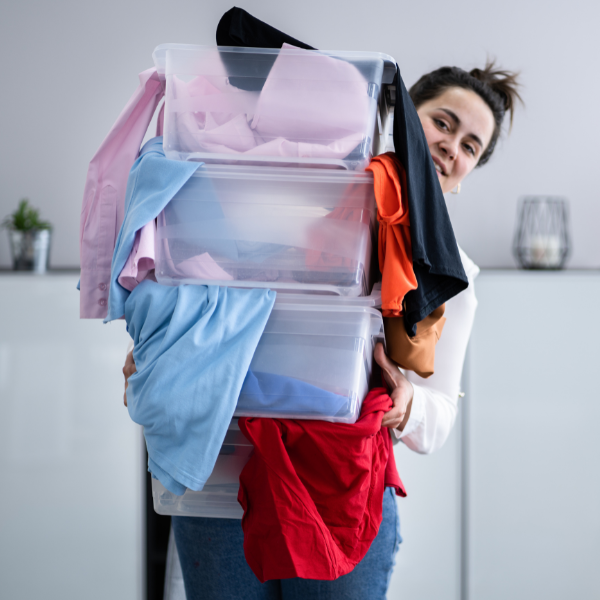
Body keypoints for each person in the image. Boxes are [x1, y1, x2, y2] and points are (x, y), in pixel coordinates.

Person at [122, 60, 522, 600]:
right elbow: (201, 288)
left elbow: (439, 417)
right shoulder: (296, 198)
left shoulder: (455, 278)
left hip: (340, 496)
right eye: (443, 123)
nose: (453, 147)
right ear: (400, 118)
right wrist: (158, 353)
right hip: (225, 472)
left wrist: (405, 401)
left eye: (471, 146)